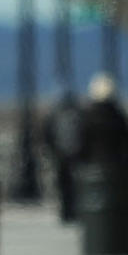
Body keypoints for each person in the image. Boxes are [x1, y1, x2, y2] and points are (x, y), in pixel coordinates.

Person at [79, 72, 128, 171]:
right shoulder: (119, 119)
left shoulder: (86, 119)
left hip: (90, 175)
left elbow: (80, 149)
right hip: (115, 175)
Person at [42, 90, 84, 221]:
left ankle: (65, 212)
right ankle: (73, 210)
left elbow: (47, 134)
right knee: (74, 184)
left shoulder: (55, 116)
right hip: (75, 155)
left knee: (63, 185)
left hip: (60, 155)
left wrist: (52, 151)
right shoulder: (78, 116)